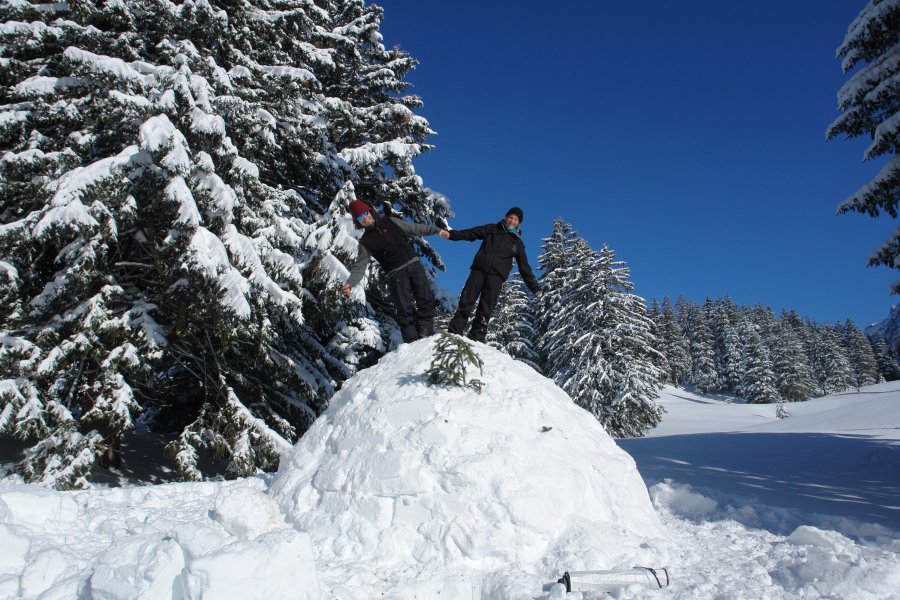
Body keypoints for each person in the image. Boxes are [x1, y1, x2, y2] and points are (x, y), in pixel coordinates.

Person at [343, 199, 450, 343]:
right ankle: (411, 342)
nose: (365, 218)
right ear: (357, 221)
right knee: (404, 309)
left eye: (365, 213)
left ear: (370, 212)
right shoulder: (365, 242)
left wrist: (436, 230)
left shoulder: (389, 222)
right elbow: (360, 266)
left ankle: (426, 334)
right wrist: (350, 283)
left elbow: (414, 228)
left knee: (425, 299)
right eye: (360, 217)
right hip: (396, 274)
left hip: (414, 265)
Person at [447, 207, 542, 342]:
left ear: (519, 223)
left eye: (516, 219)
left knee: (486, 308)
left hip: (496, 278)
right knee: (466, 300)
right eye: (510, 217)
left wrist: (535, 287)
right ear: (505, 217)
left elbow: (524, 267)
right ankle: (454, 332)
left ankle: (476, 338)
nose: (512, 221)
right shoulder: (492, 229)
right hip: (479, 270)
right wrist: (452, 235)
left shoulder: (517, 244)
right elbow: (471, 233)